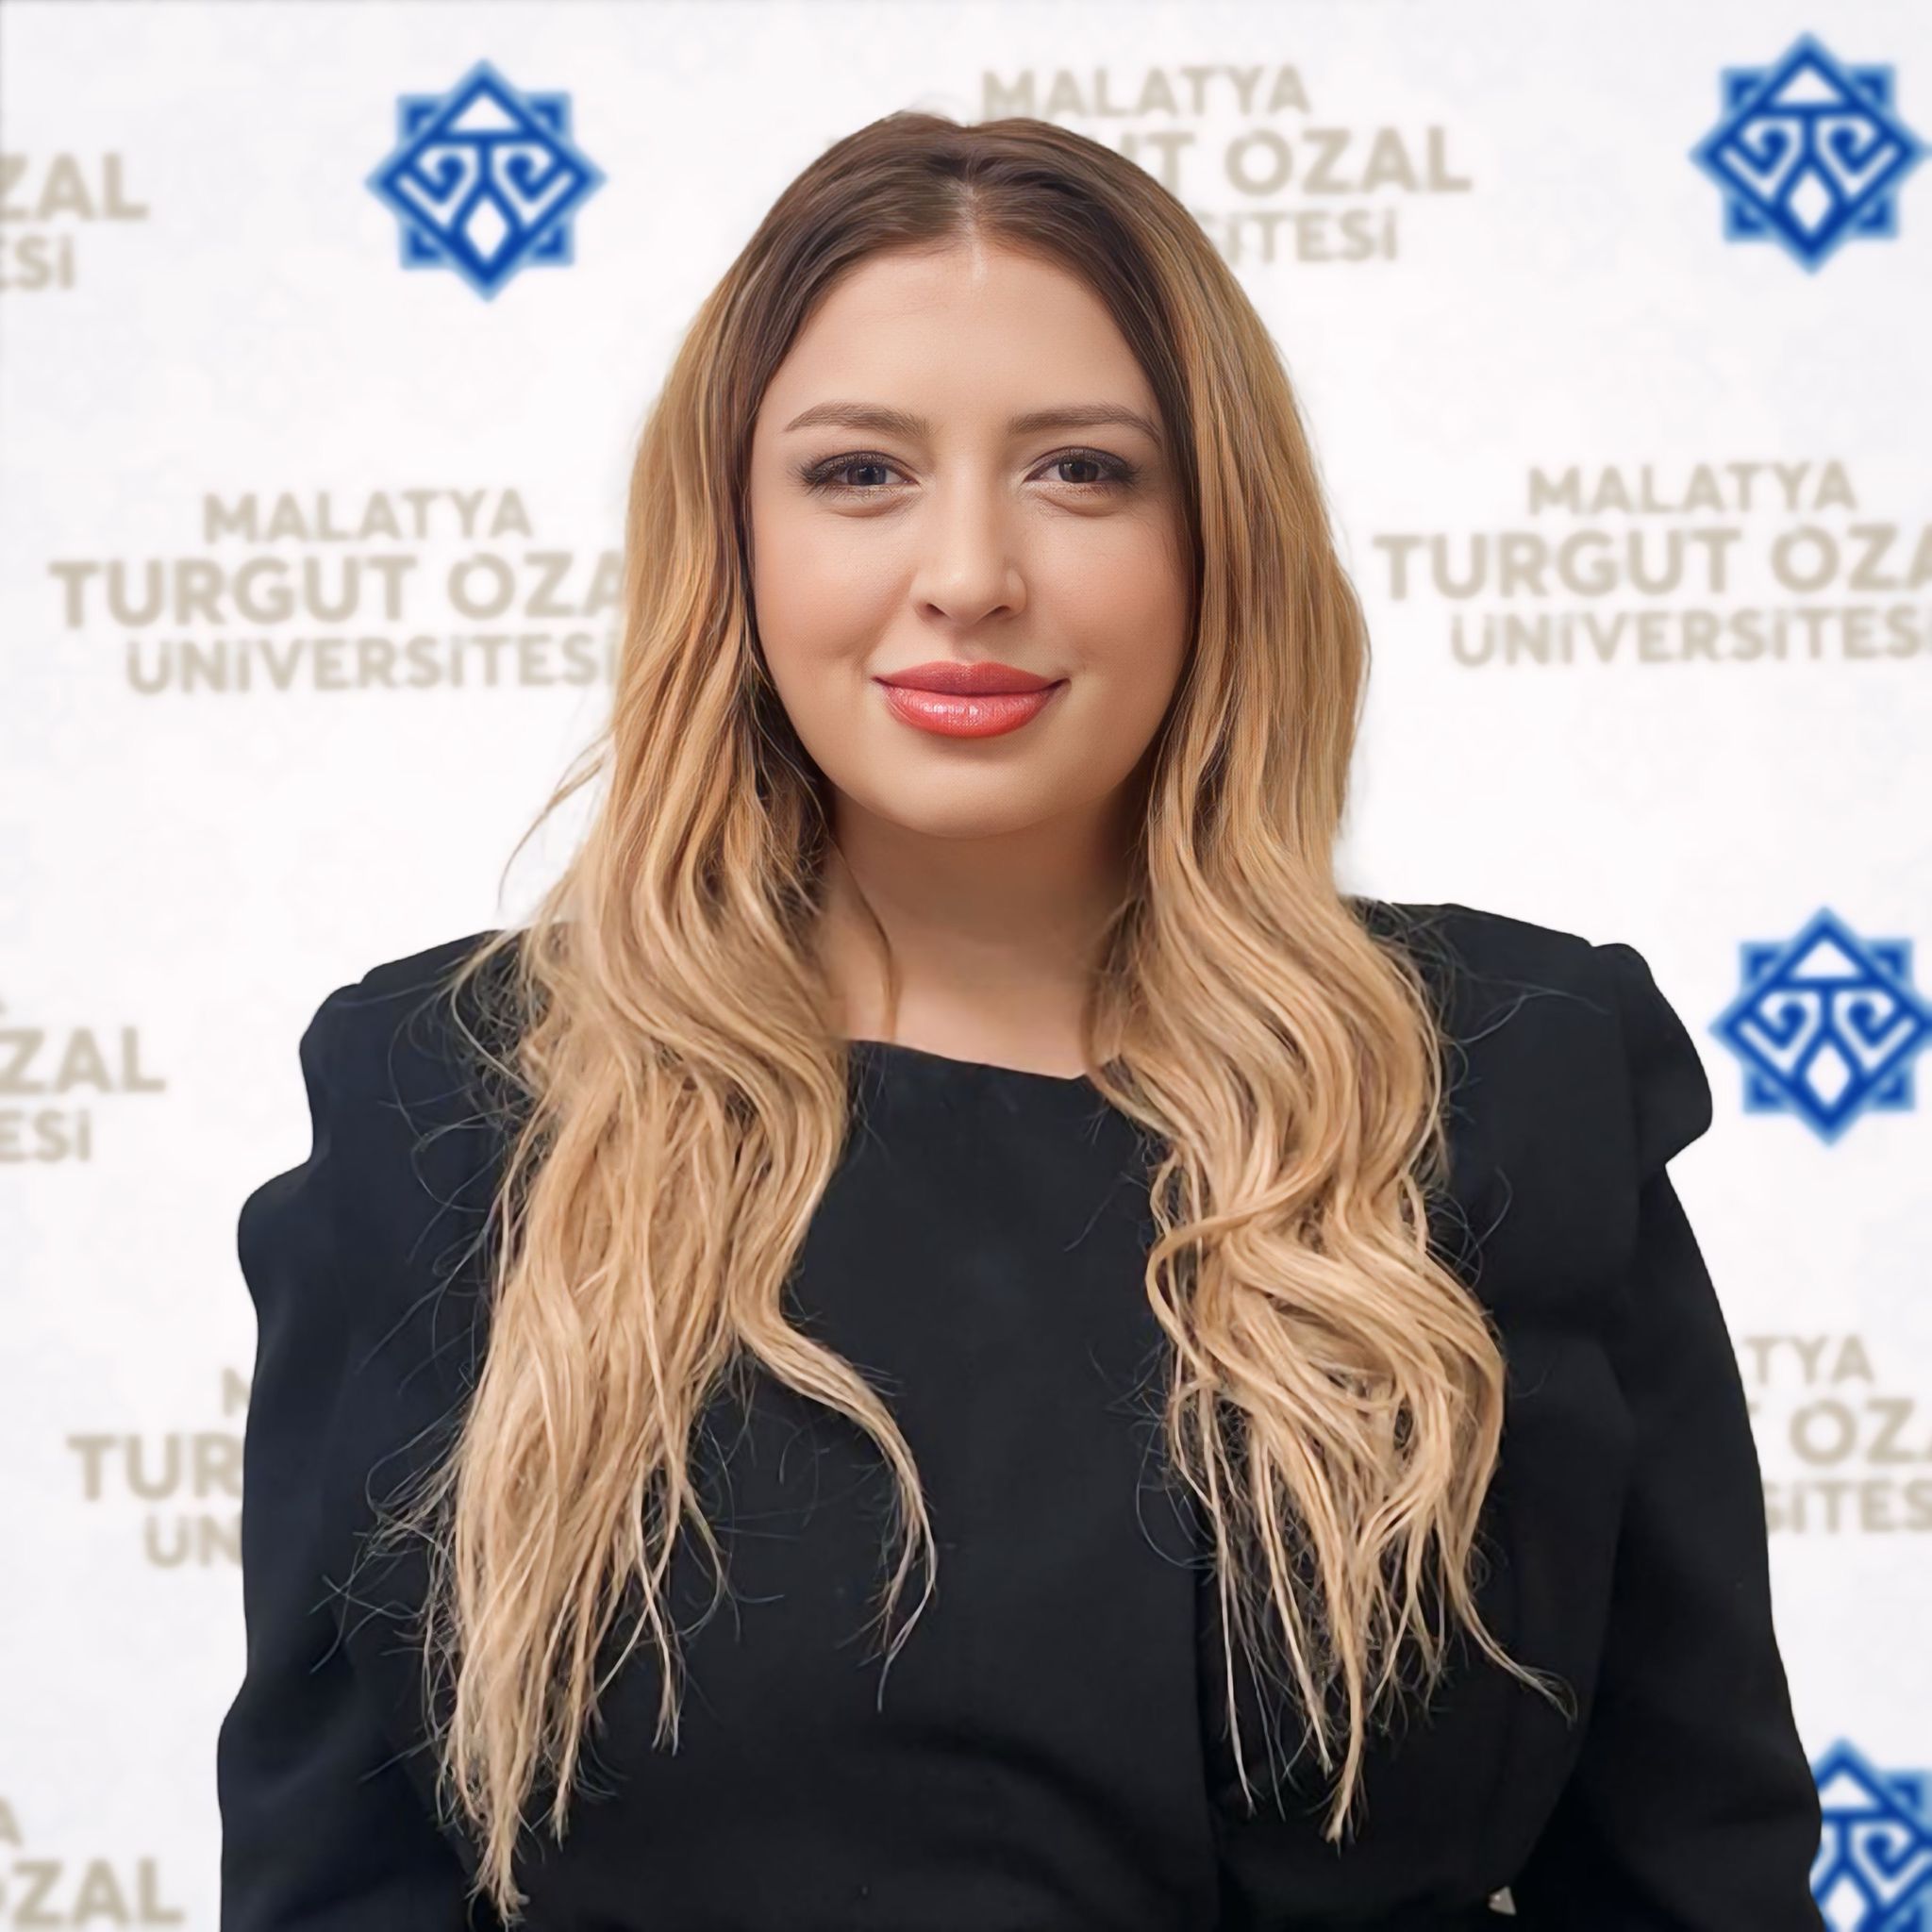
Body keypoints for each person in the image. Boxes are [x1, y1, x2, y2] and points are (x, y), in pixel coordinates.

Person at [215, 112, 1825, 1931]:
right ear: (732, 544)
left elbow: (1699, 1879)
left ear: (1218, 539)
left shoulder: (1510, 1082)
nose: (971, 571)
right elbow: (337, 1887)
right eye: (859, 473)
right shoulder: (448, 1103)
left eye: (1081, 470)